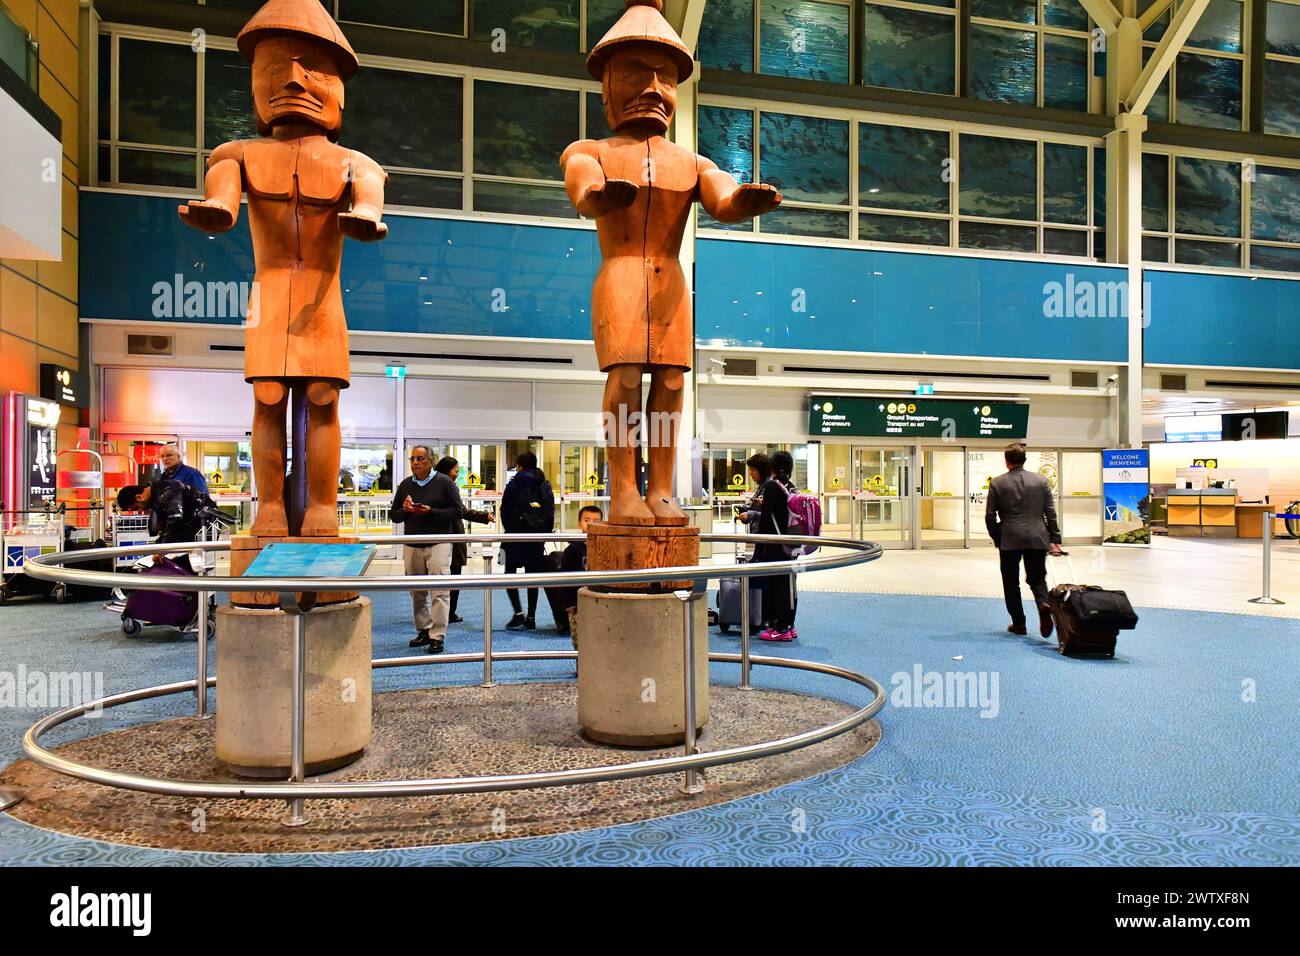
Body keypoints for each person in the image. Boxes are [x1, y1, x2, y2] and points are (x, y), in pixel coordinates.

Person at [985, 442, 1063, 637]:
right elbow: (1050, 513)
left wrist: (997, 536)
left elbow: (989, 515)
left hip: (1009, 538)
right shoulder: (1041, 481)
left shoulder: (997, 483)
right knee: (1037, 578)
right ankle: (1043, 604)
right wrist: (1055, 537)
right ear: (1024, 460)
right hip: (1037, 536)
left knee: (1011, 581)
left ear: (1006, 461)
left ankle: (1019, 623)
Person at [388, 445, 459, 655]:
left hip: (438, 542)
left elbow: (456, 511)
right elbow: (394, 516)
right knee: (417, 592)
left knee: (439, 591)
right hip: (412, 544)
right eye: (413, 459)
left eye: (420, 459)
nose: (415, 462)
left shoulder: (444, 482)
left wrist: (431, 512)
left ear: (430, 462)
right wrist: (406, 510)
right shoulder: (405, 485)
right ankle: (424, 629)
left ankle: (437, 636)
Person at [742, 453, 797, 642]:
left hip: (775, 543)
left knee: (777, 584)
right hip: (791, 542)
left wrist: (762, 544)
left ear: (773, 467)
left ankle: (779, 628)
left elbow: (766, 518)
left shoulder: (773, 486)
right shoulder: (791, 487)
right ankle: (789, 626)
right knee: (789, 583)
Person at [434, 456, 494, 624]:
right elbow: (461, 511)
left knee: (443, 577)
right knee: (454, 575)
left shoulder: (436, 486)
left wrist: (483, 516)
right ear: (447, 471)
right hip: (451, 536)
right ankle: (449, 612)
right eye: (455, 471)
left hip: (443, 537)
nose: (456, 474)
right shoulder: (448, 487)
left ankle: (444, 611)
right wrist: (484, 516)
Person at [499, 451, 555, 629]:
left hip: (513, 536)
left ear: (519, 465)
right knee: (533, 577)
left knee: (509, 574)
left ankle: (518, 612)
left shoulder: (514, 484)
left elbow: (504, 510)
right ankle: (531, 616)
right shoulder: (544, 483)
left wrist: (510, 528)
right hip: (535, 536)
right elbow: (550, 510)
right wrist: (543, 532)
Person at [546, 504, 602, 637]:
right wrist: (569, 605)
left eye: (596, 521)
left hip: (600, 601)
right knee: (579, 639)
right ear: (579, 524)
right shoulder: (572, 551)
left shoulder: (606, 547)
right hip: (577, 603)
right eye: (586, 520)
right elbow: (566, 580)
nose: (591, 524)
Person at [116, 478, 215, 545]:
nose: (140, 510)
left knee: (186, 562)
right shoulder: (156, 496)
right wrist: (158, 547)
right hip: (196, 525)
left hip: (206, 525)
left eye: (136, 508)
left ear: (139, 497)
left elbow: (175, 519)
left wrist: (162, 549)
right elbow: (166, 526)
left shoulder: (167, 490)